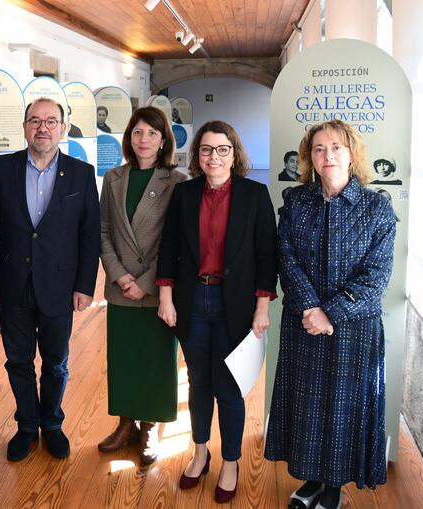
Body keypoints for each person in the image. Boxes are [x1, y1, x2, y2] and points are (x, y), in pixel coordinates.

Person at [265, 120, 395, 509]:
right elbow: (285, 257)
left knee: (343, 406)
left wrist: (331, 314)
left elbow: (377, 276)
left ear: (352, 153)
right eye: (319, 149)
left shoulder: (377, 208)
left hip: (354, 328)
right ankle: (311, 479)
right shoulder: (295, 202)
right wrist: (310, 307)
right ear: (310, 158)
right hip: (303, 322)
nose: (328, 155)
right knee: (307, 404)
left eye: (336, 147)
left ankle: (335, 485)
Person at [156, 120, 277, 503]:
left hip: (236, 304)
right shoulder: (185, 193)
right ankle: (200, 451)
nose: (214, 157)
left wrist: (261, 307)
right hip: (194, 301)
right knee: (198, 383)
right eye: (206, 149)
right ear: (198, 156)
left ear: (234, 153)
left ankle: (230, 461)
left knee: (229, 388)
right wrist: (165, 296)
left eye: (222, 149)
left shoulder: (255, 195)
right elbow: (169, 246)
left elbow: (266, 255)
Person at [0, 97, 100, 462]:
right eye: (35, 121)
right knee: (17, 361)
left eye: (51, 121)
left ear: (63, 128)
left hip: (59, 285)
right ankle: (26, 425)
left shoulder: (81, 174)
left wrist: (85, 285)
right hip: (13, 283)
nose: (43, 128)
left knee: (56, 363)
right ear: (24, 127)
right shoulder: (0, 168)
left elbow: (90, 234)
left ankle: (51, 424)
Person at [97, 106, 187, 465]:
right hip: (120, 287)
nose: (144, 139)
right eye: (137, 132)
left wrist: (146, 281)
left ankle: (149, 426)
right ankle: (125, 423)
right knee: (123, 359)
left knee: (155, 360)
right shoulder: (113, 177)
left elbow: (177, 240)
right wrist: (119, 275)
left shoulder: (176, 181)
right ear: (128, 138)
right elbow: (103, 231)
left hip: (157, 289)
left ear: (163, 139)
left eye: (151, 133)